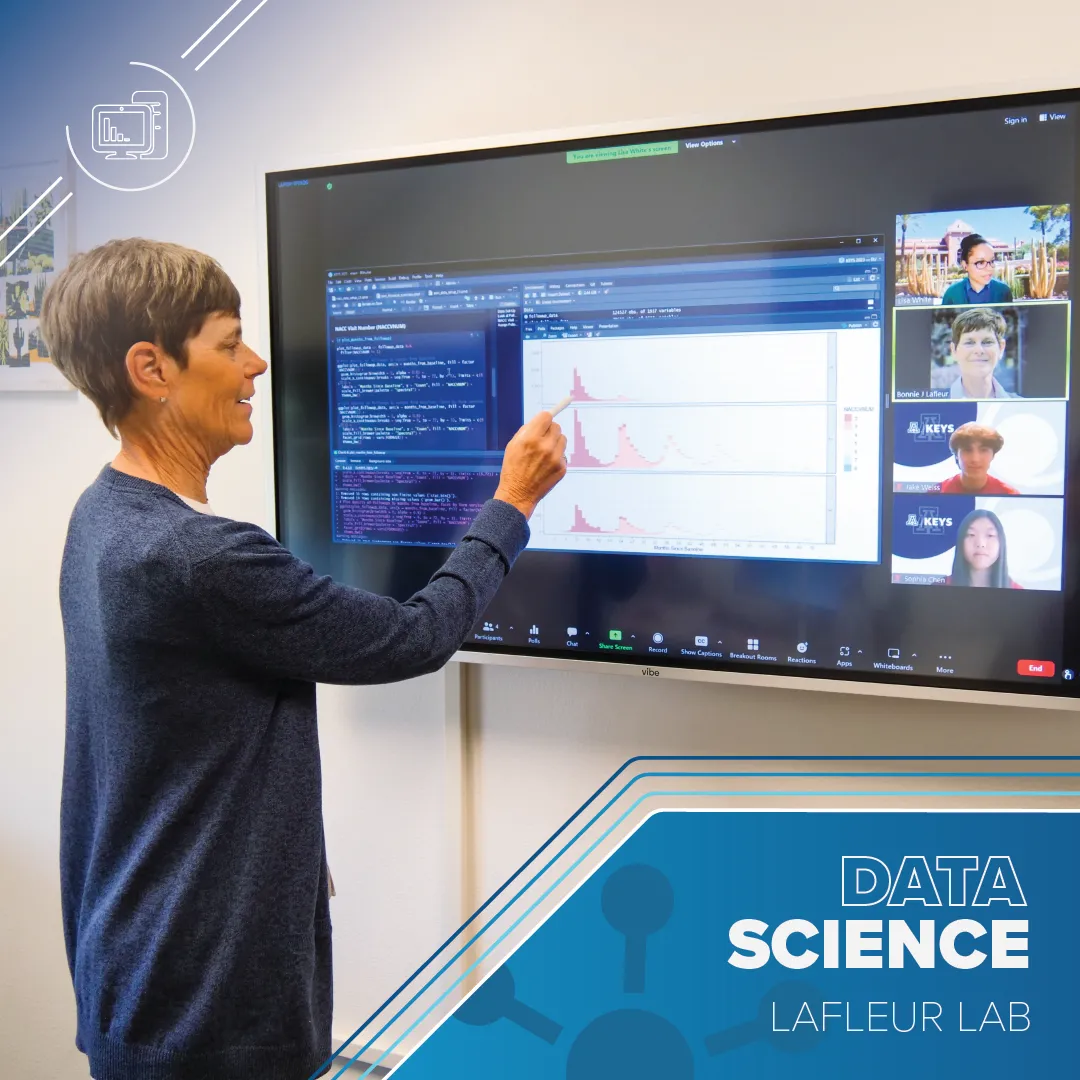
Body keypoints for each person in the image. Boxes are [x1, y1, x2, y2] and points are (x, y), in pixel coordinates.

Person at [40, 238, 568, 1080]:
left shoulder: (101, 516)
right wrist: (512, 504)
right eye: (228, 343)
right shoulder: (199, 558)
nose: (255, 365)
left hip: (134, 967)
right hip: (212, 1007)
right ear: (152, 368)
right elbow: (415, 636)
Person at [947, 307, 1014, 399]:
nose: (979, 350)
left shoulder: (1024, 408)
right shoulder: (932, 405)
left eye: (987, 342)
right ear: (954, 350)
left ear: (1001, 348)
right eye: (969, 342)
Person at [946, 508, 1022, 587]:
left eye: (990, 535)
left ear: (1001, 542)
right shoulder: (939, 587)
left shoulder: (1018, 591)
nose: (981, 544)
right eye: (971, 535)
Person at [938, 422, 1019, 494]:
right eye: (967, 450)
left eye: (983, 450)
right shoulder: (937, 493)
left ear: (993, 455)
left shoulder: (1009, 494)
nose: (975, 459)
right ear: (956, 455)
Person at [940, 233, 1013, 306]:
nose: (989, 268)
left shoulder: (1003, 291)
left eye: (992, 261)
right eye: (980, 263)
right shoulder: (952, 293)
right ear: (965, 265)